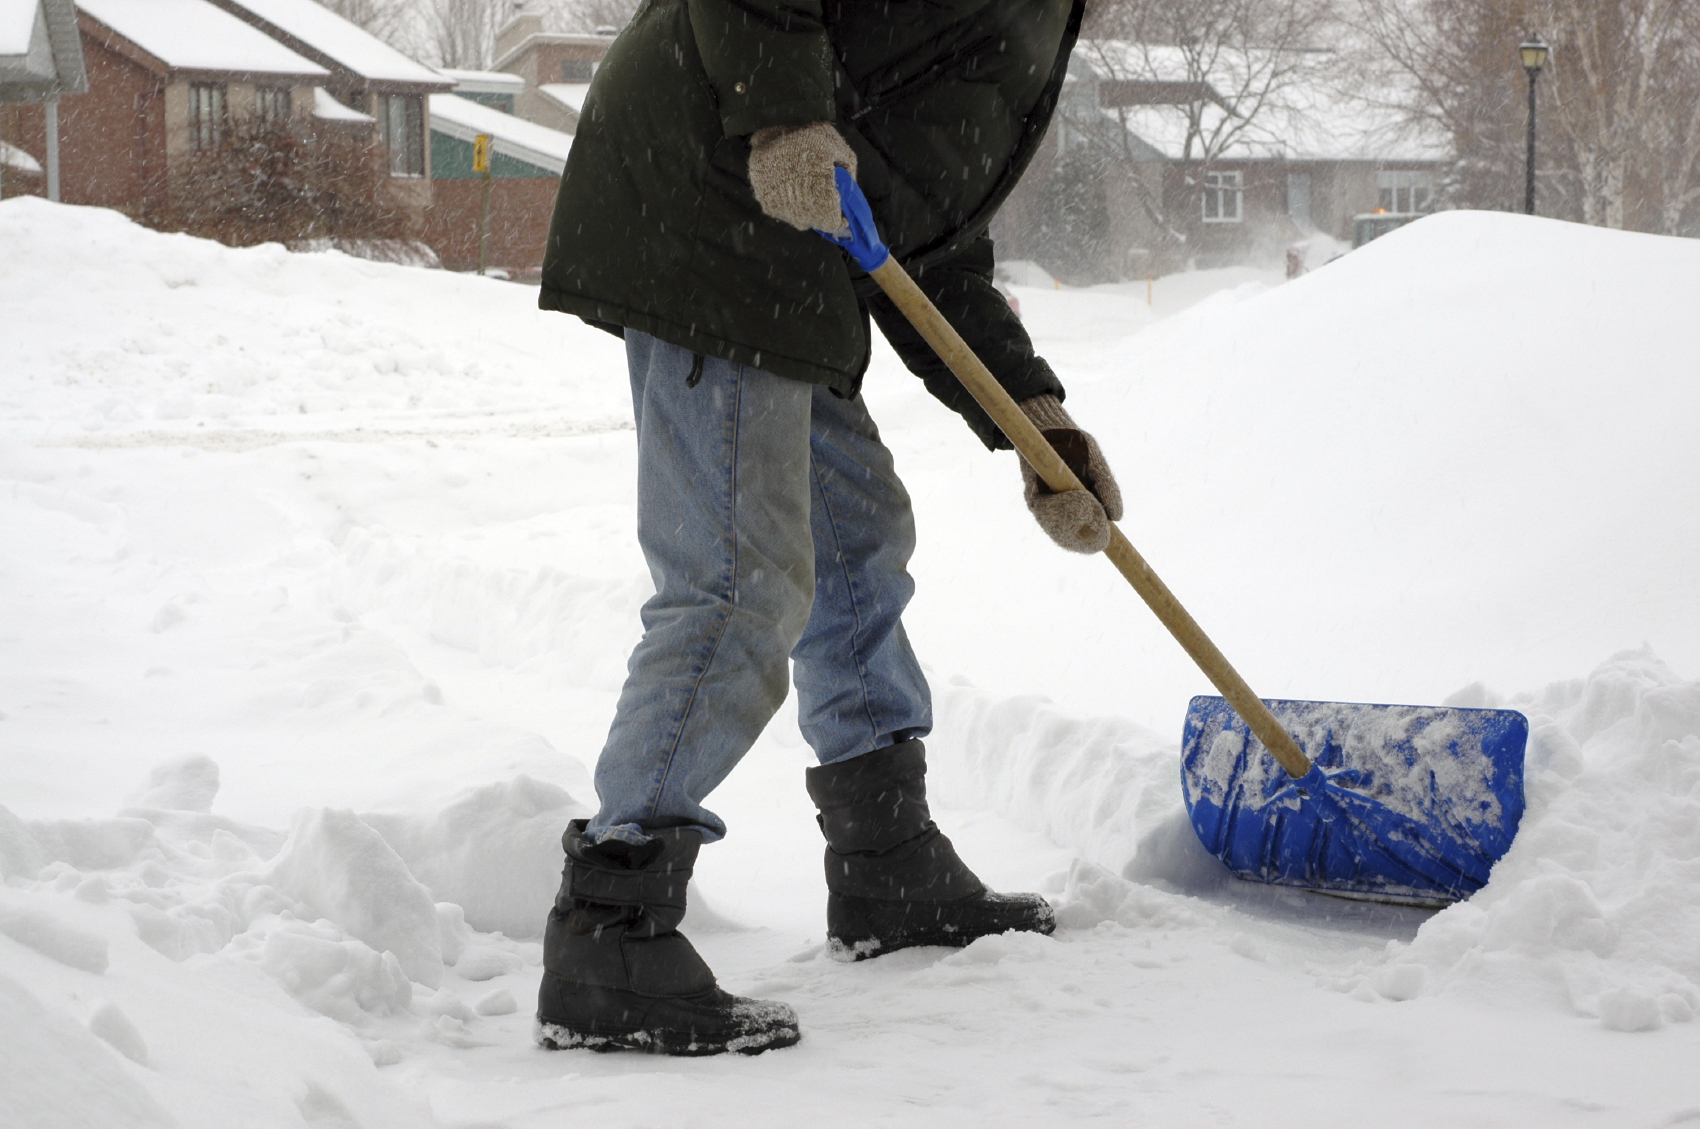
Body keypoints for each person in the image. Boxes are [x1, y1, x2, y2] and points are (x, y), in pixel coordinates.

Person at [532, 0, 1122, 1056]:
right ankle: (610, 926)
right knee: (735, 578)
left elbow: (917, 236)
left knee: (854, 539)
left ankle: (883, 860)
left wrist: (1030, 419)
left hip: (788, 234)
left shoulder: (1036, 20)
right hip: (709, 192)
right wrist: (779, 116)